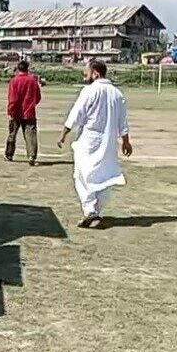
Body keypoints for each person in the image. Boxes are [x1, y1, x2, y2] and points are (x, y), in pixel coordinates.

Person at [57, 59, 133, 228]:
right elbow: (123, 122)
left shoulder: (89, 91)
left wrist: (64, 134)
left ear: (95, 73)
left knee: (82, 175)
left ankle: (91, 211)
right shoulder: (117, 94)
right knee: (103, 175)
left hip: (89, 142)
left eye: (87, 72)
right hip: (108, 144)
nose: (85, 75)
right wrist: (126, 141)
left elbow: (76, 114)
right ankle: (96, 211)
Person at [5, 60, 42, 166]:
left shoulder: (14, 81)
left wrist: (10, 110)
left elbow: (13, 98)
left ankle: (9, 154)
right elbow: (38, 97)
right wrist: (31, 104)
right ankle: (31, 156)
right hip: (29, 112)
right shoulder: (32, 81)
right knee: (31, 135)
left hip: (16, 112)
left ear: (18, 68)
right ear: (27, 68)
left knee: (12, 134)